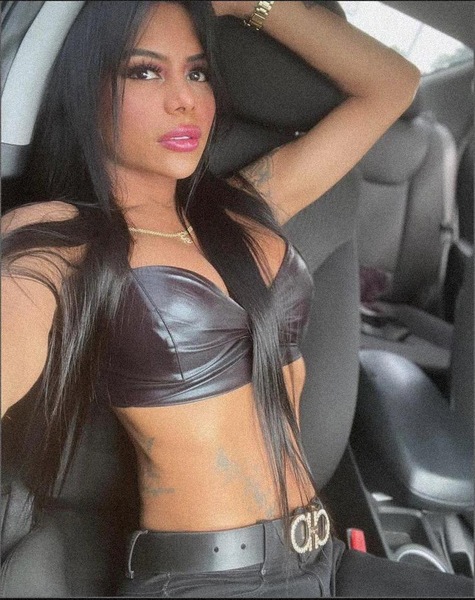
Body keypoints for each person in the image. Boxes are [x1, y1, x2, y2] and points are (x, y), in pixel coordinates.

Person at [1, 1, 472, 597]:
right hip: (211, 581)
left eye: (197, 72)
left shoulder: (243, 208)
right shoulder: (59, 240)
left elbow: (392, 84)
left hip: (326, 561)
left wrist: (250, 5)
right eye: (145, 71)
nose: (185, 100)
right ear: (83, 90)